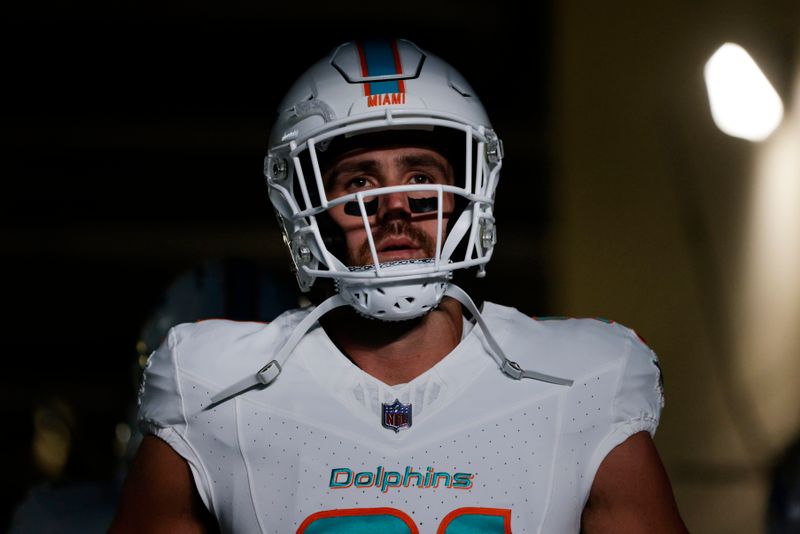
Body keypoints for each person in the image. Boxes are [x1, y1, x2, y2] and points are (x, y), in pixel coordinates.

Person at [110, 38, 688, 533]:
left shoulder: (582, 382)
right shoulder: (214, 390)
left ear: (470, 189)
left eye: (420, 176)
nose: (394, 208)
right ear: (307, 209)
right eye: (359, 181)